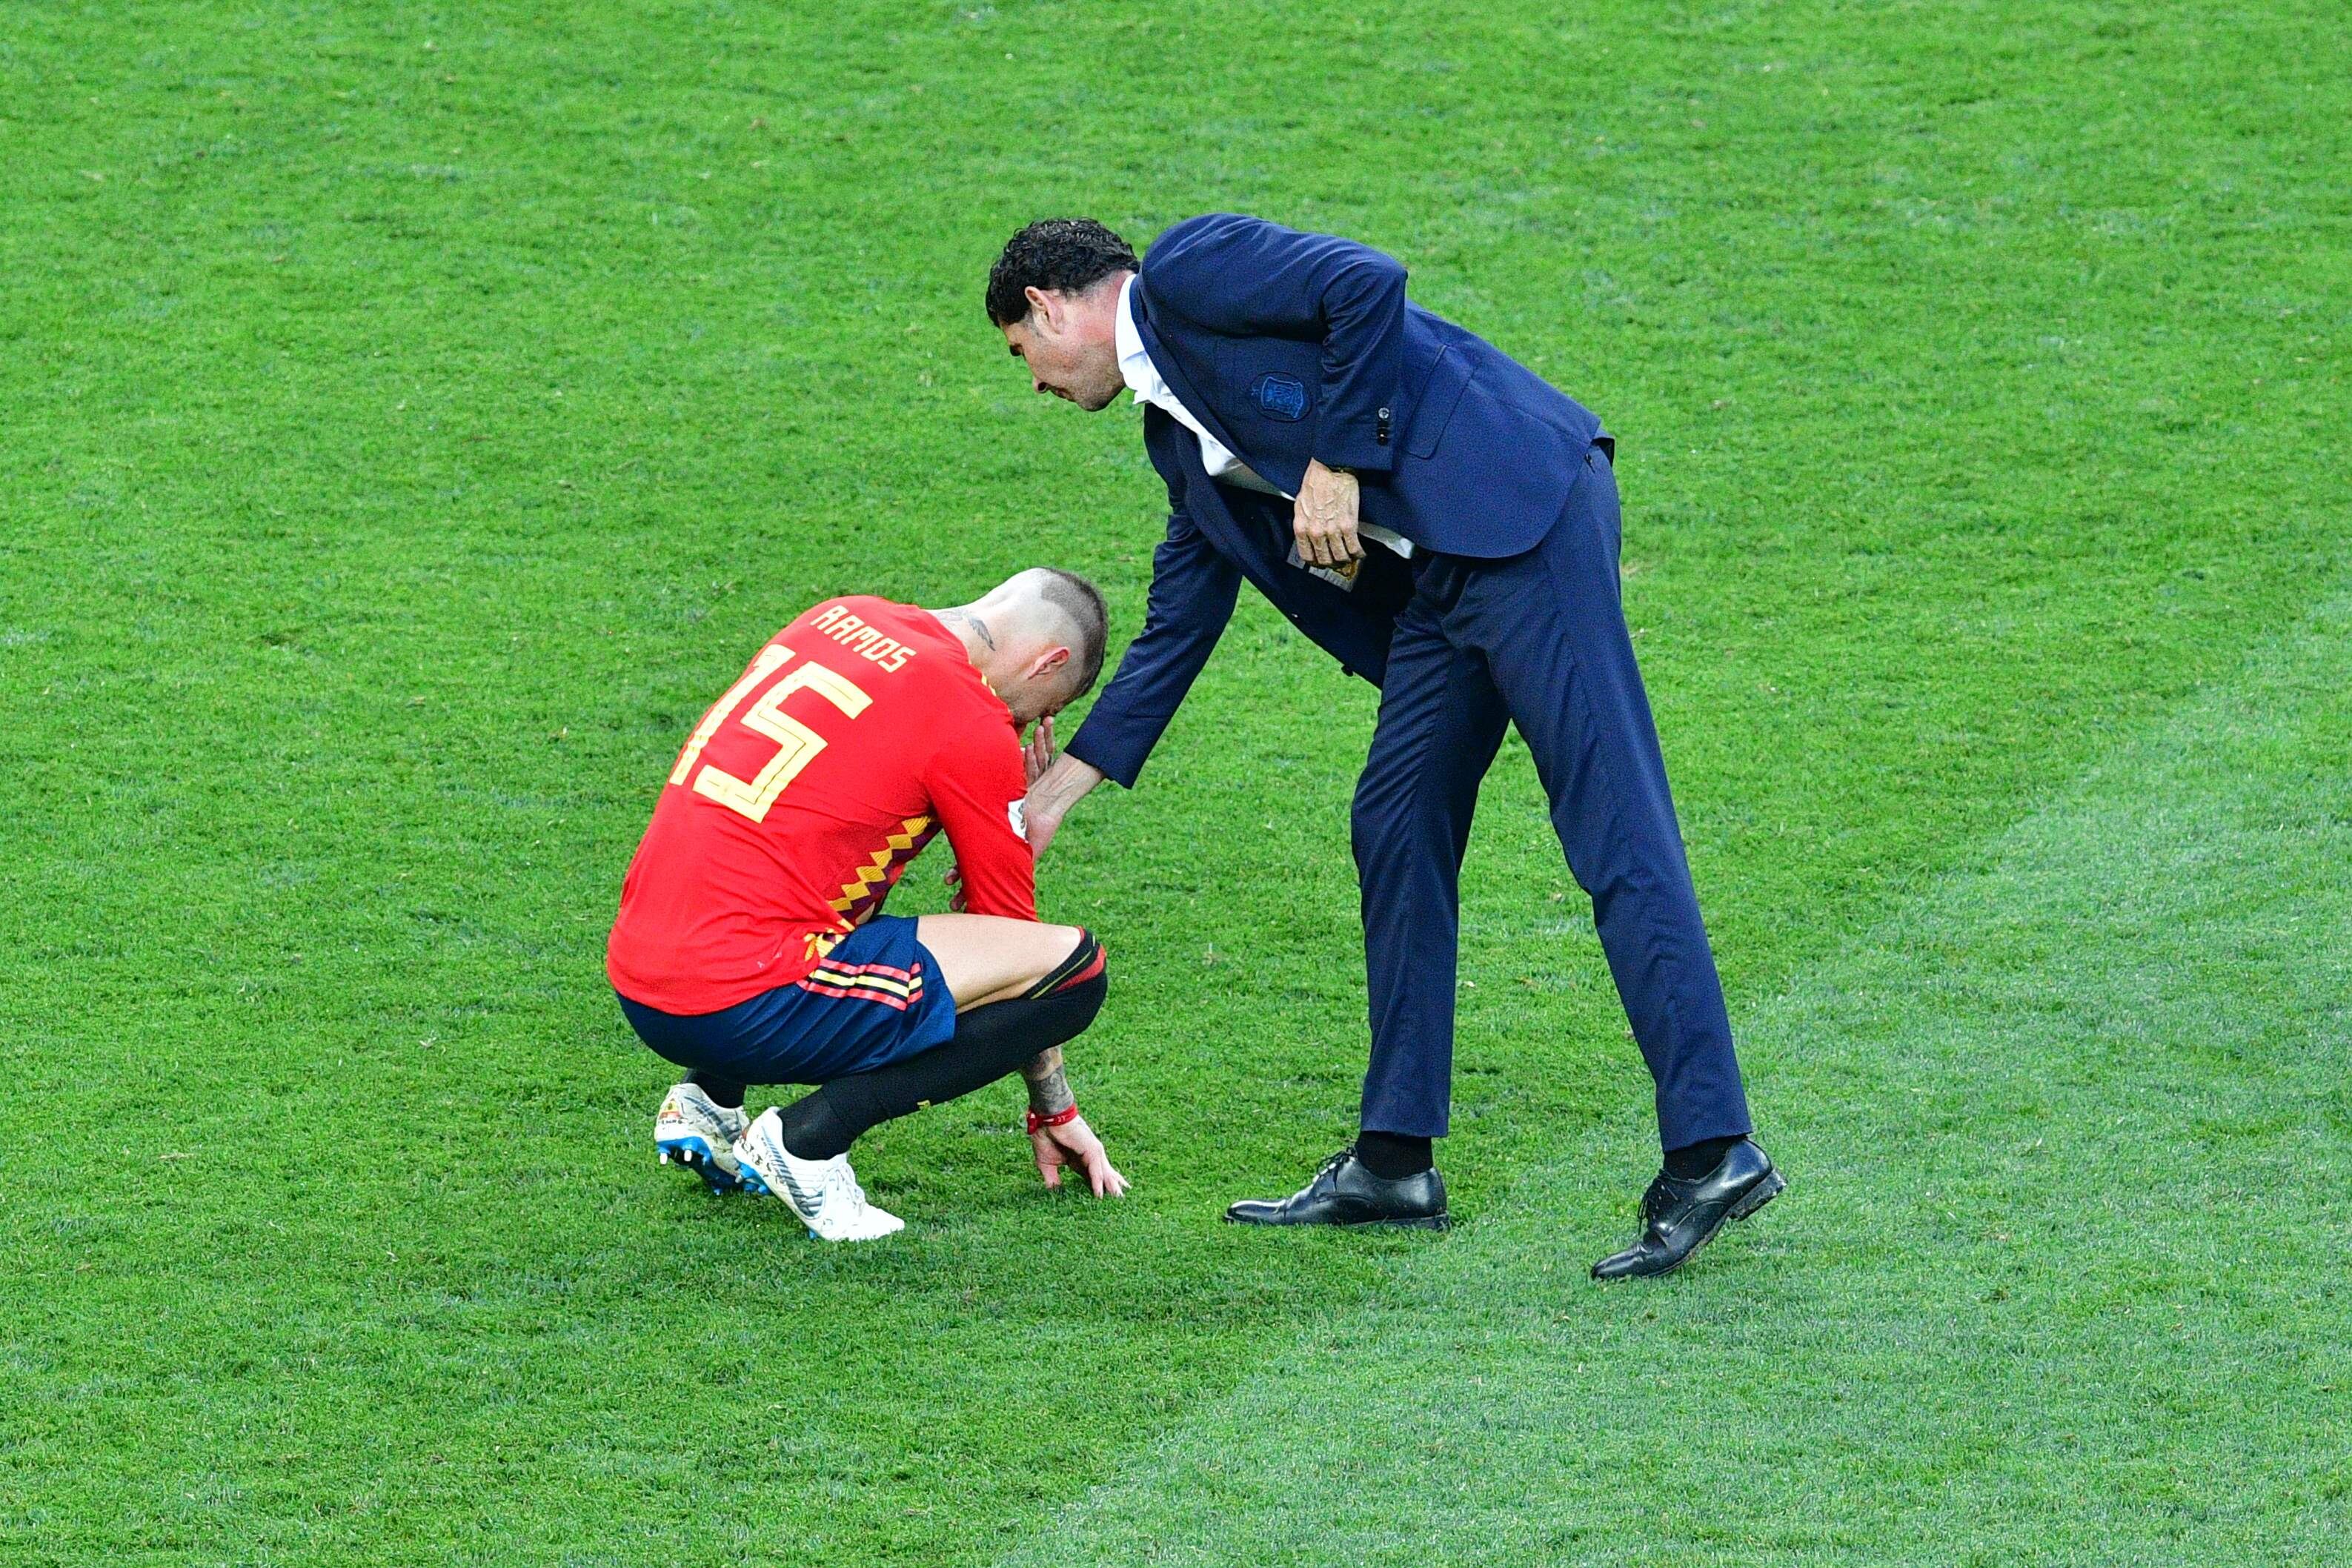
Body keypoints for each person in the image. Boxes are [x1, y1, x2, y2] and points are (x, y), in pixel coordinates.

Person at [986, 216, 1782, 1278]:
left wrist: (1333, 465)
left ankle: (1713, 1149)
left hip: (1524, 518)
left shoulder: (1186, 271)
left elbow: (1364, 281)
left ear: (1048, 307)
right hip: (1443, 585)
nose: (1036, 384)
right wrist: (1052, 799)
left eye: (1022, 353)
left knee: (1614, 830)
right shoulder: (1174, 439)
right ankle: (1394, 1162)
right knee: (1395, 823)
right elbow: (1182, 616)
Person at [606, 568, 1128, 1241]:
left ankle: (709, 1098)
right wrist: (1054, 1108)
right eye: (1041, 709)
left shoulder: (840, 616)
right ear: (1048, 662)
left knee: (821, 883)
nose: (1026, 725)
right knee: (1076, 972)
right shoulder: (972, 716)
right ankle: (808, 1142)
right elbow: (1018, 948)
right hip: (735, 1004)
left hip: (642, 974)